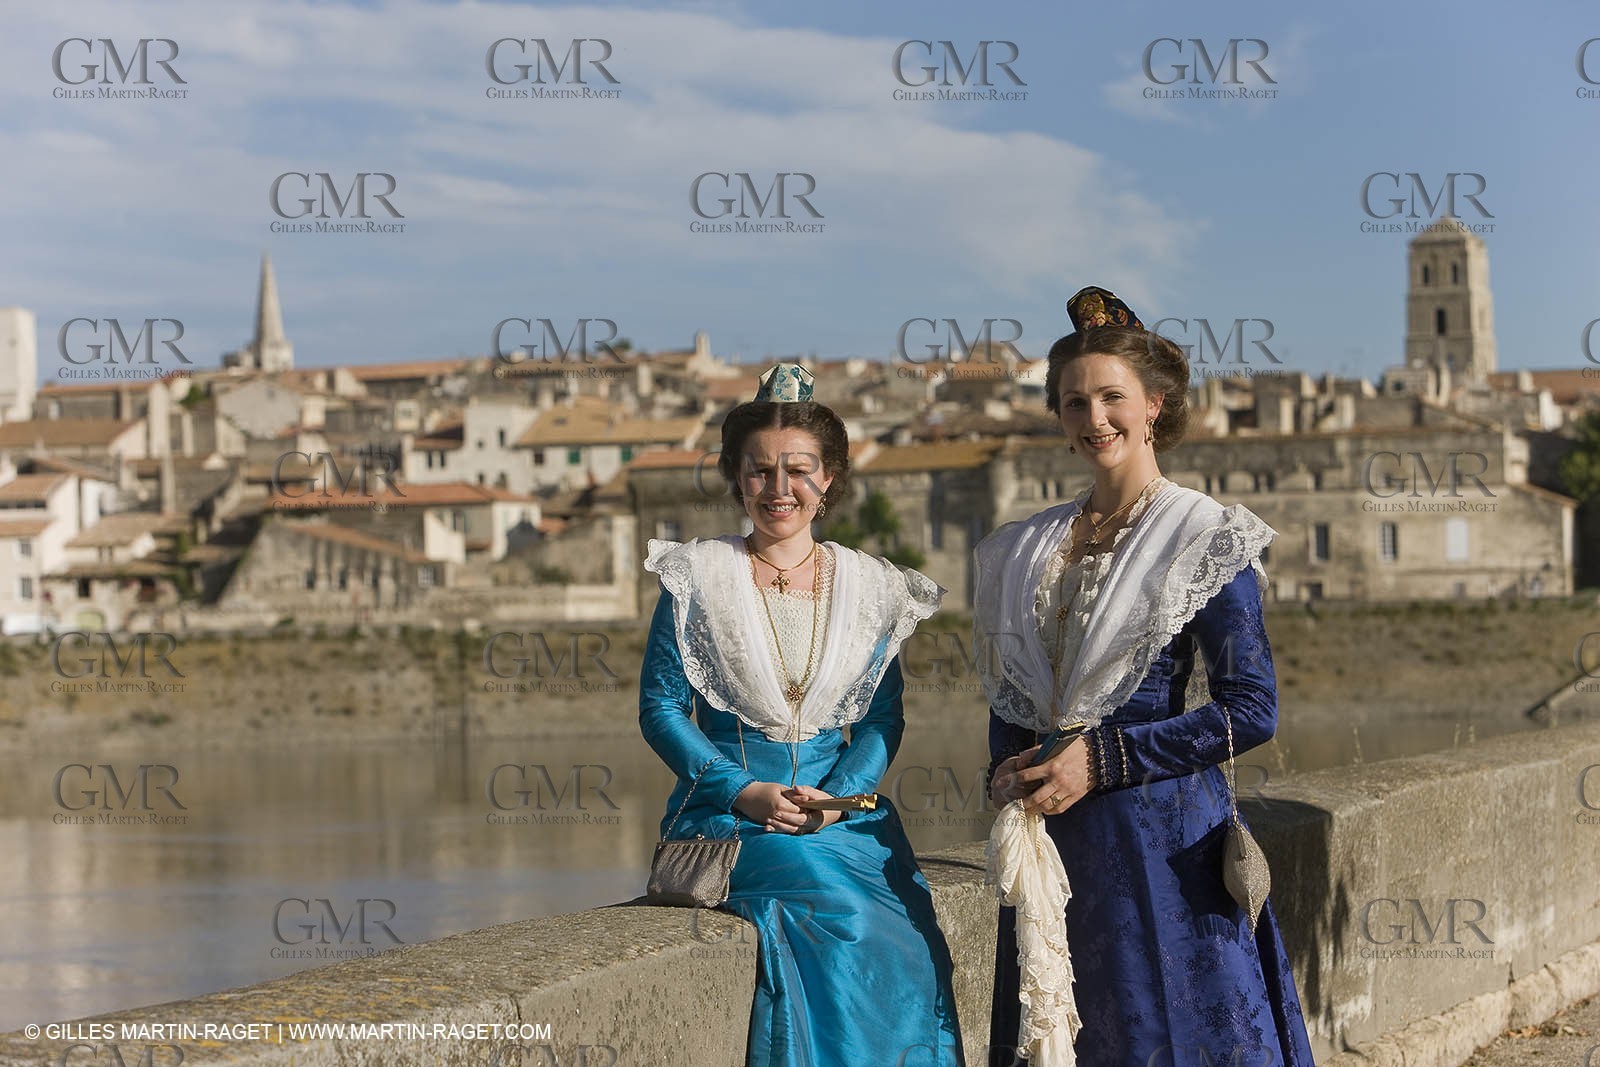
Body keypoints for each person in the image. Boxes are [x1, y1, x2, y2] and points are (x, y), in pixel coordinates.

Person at [975, 288, 1315, 1066]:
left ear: (1154, 405)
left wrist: (1103, 758)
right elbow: (1013, 695)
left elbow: (1250, 709)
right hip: (1055, 845)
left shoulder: (1204, 537)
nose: (1093, 417)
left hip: (1165, 850)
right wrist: (1006, 763)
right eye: (1073, 402)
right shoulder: (1029, 547)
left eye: (1110, 397)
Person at [640, 362, 966, 1067]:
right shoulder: (696, 577)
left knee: (908, 931)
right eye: (759, 471)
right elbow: (661, 708)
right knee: (838, 914)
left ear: (830, 478)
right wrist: (740, 789)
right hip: (728, 808)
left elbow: (883, 719)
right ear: (736, 476)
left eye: (799, 470)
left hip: (841, 806)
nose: (779, 490)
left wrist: (838, 797)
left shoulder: (874, 588)